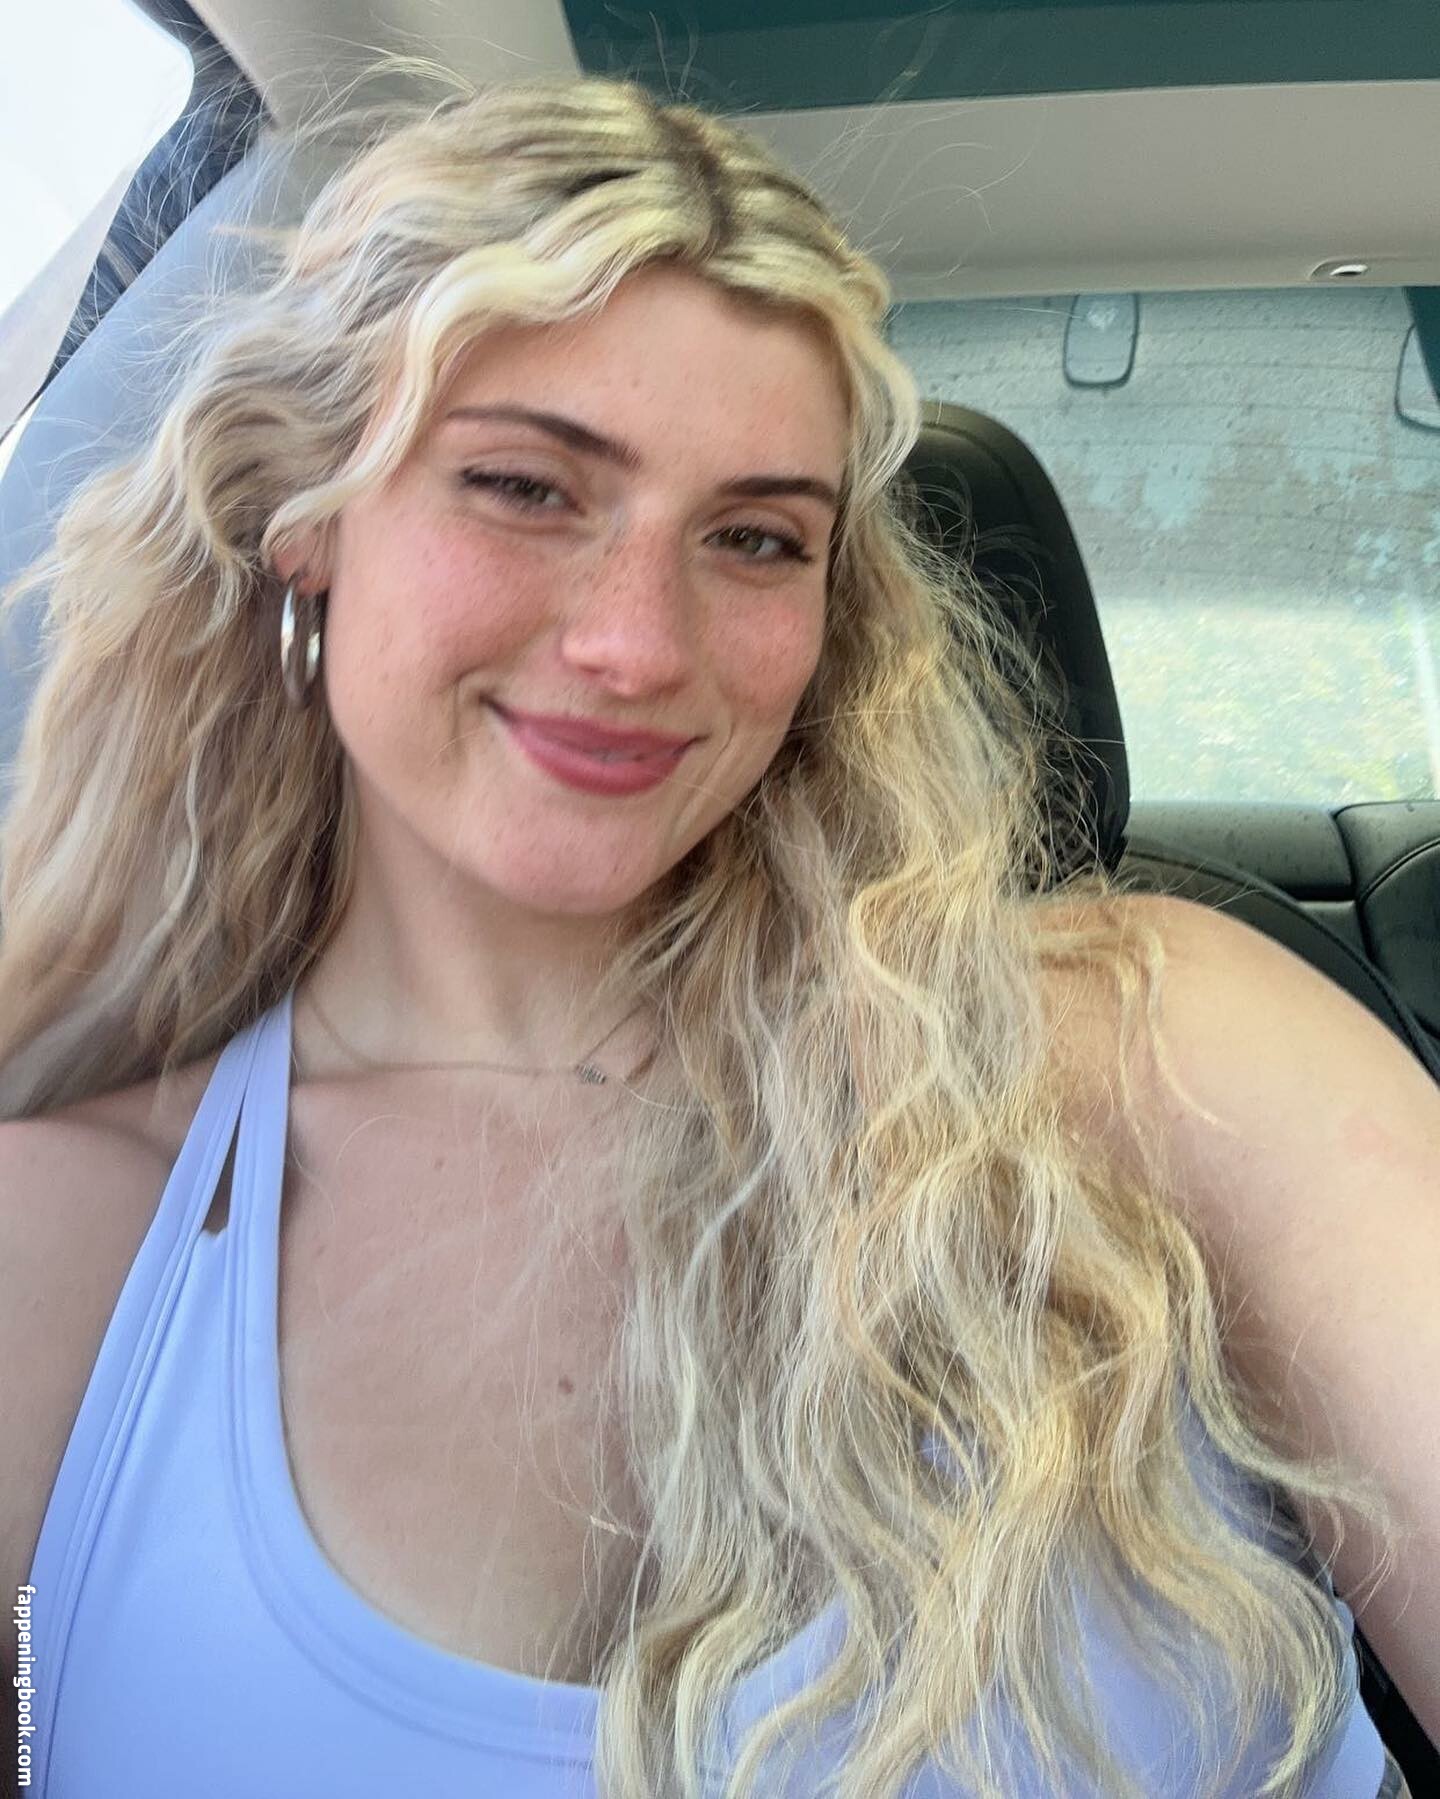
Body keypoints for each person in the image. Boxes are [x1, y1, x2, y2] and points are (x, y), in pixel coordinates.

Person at [0, 72, 1433, 1799]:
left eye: (754, 538)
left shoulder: (1160, 1058)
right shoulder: (71, 1231)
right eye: (526, 487)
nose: (636, 644)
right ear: (308, 523)